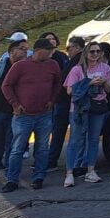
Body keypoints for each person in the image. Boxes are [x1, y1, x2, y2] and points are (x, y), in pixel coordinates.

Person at [0, 38, 60, 192]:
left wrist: (52, 100)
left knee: (42, 147)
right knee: (17, 148)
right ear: (40, 50)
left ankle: (39, 177)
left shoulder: (53, 65)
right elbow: (6, 85)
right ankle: (12, 179)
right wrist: (15, 104)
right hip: (23, 115)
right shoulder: (20, 66)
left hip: (44, 114)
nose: (52, 54)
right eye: (50, 51)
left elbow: (57, 83)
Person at [63, 42, 110, 187]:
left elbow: (109, 89)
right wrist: (89, 83)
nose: (96, 54)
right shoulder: (77, 70)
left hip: (97, 106)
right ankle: (69, 173)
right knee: (75, 140)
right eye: (92, 52)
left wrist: (103, 82)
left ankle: (90, 170)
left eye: (98, 51)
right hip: (79, 109)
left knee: (93, 139)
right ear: (86, 53)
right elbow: (69, 90)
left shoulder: (106, 68)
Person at [47, 36, 84, 172]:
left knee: (60, 132)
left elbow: (66, 82)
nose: (68, 51)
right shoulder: (74, 61)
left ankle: (53, 161)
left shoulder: (76, 62)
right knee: (68, 133)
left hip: (66, 101)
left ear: (77, 48)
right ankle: (59, 161)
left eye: (70, 48)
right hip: (66, 101)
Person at [0, 39, 30, 184]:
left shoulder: (25, 68)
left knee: (13, 144)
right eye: (22, 49)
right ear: (12, 51)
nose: (25, 52)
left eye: (26, 49)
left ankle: (11, 175)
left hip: (16, 112)